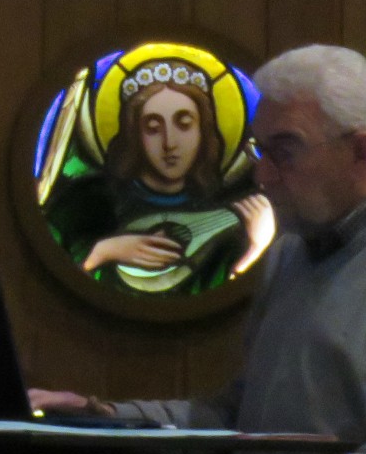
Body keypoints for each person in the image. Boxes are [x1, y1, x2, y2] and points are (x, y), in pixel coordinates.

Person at [31, 45, 366, 454]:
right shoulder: (289, 253)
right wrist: (104, 418)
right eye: (260, 152)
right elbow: (236, 421)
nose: (262, 176)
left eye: (285, 152)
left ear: (362, 153)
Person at [42, 57, 271, 295]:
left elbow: (232, 301)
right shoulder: (87, 201)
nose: (169, 143)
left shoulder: (235, 205)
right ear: (133, 134)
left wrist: (256, 248)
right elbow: (52, 280)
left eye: (184, 124)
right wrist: (104, 251)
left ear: (204, 132)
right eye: (152, 127)